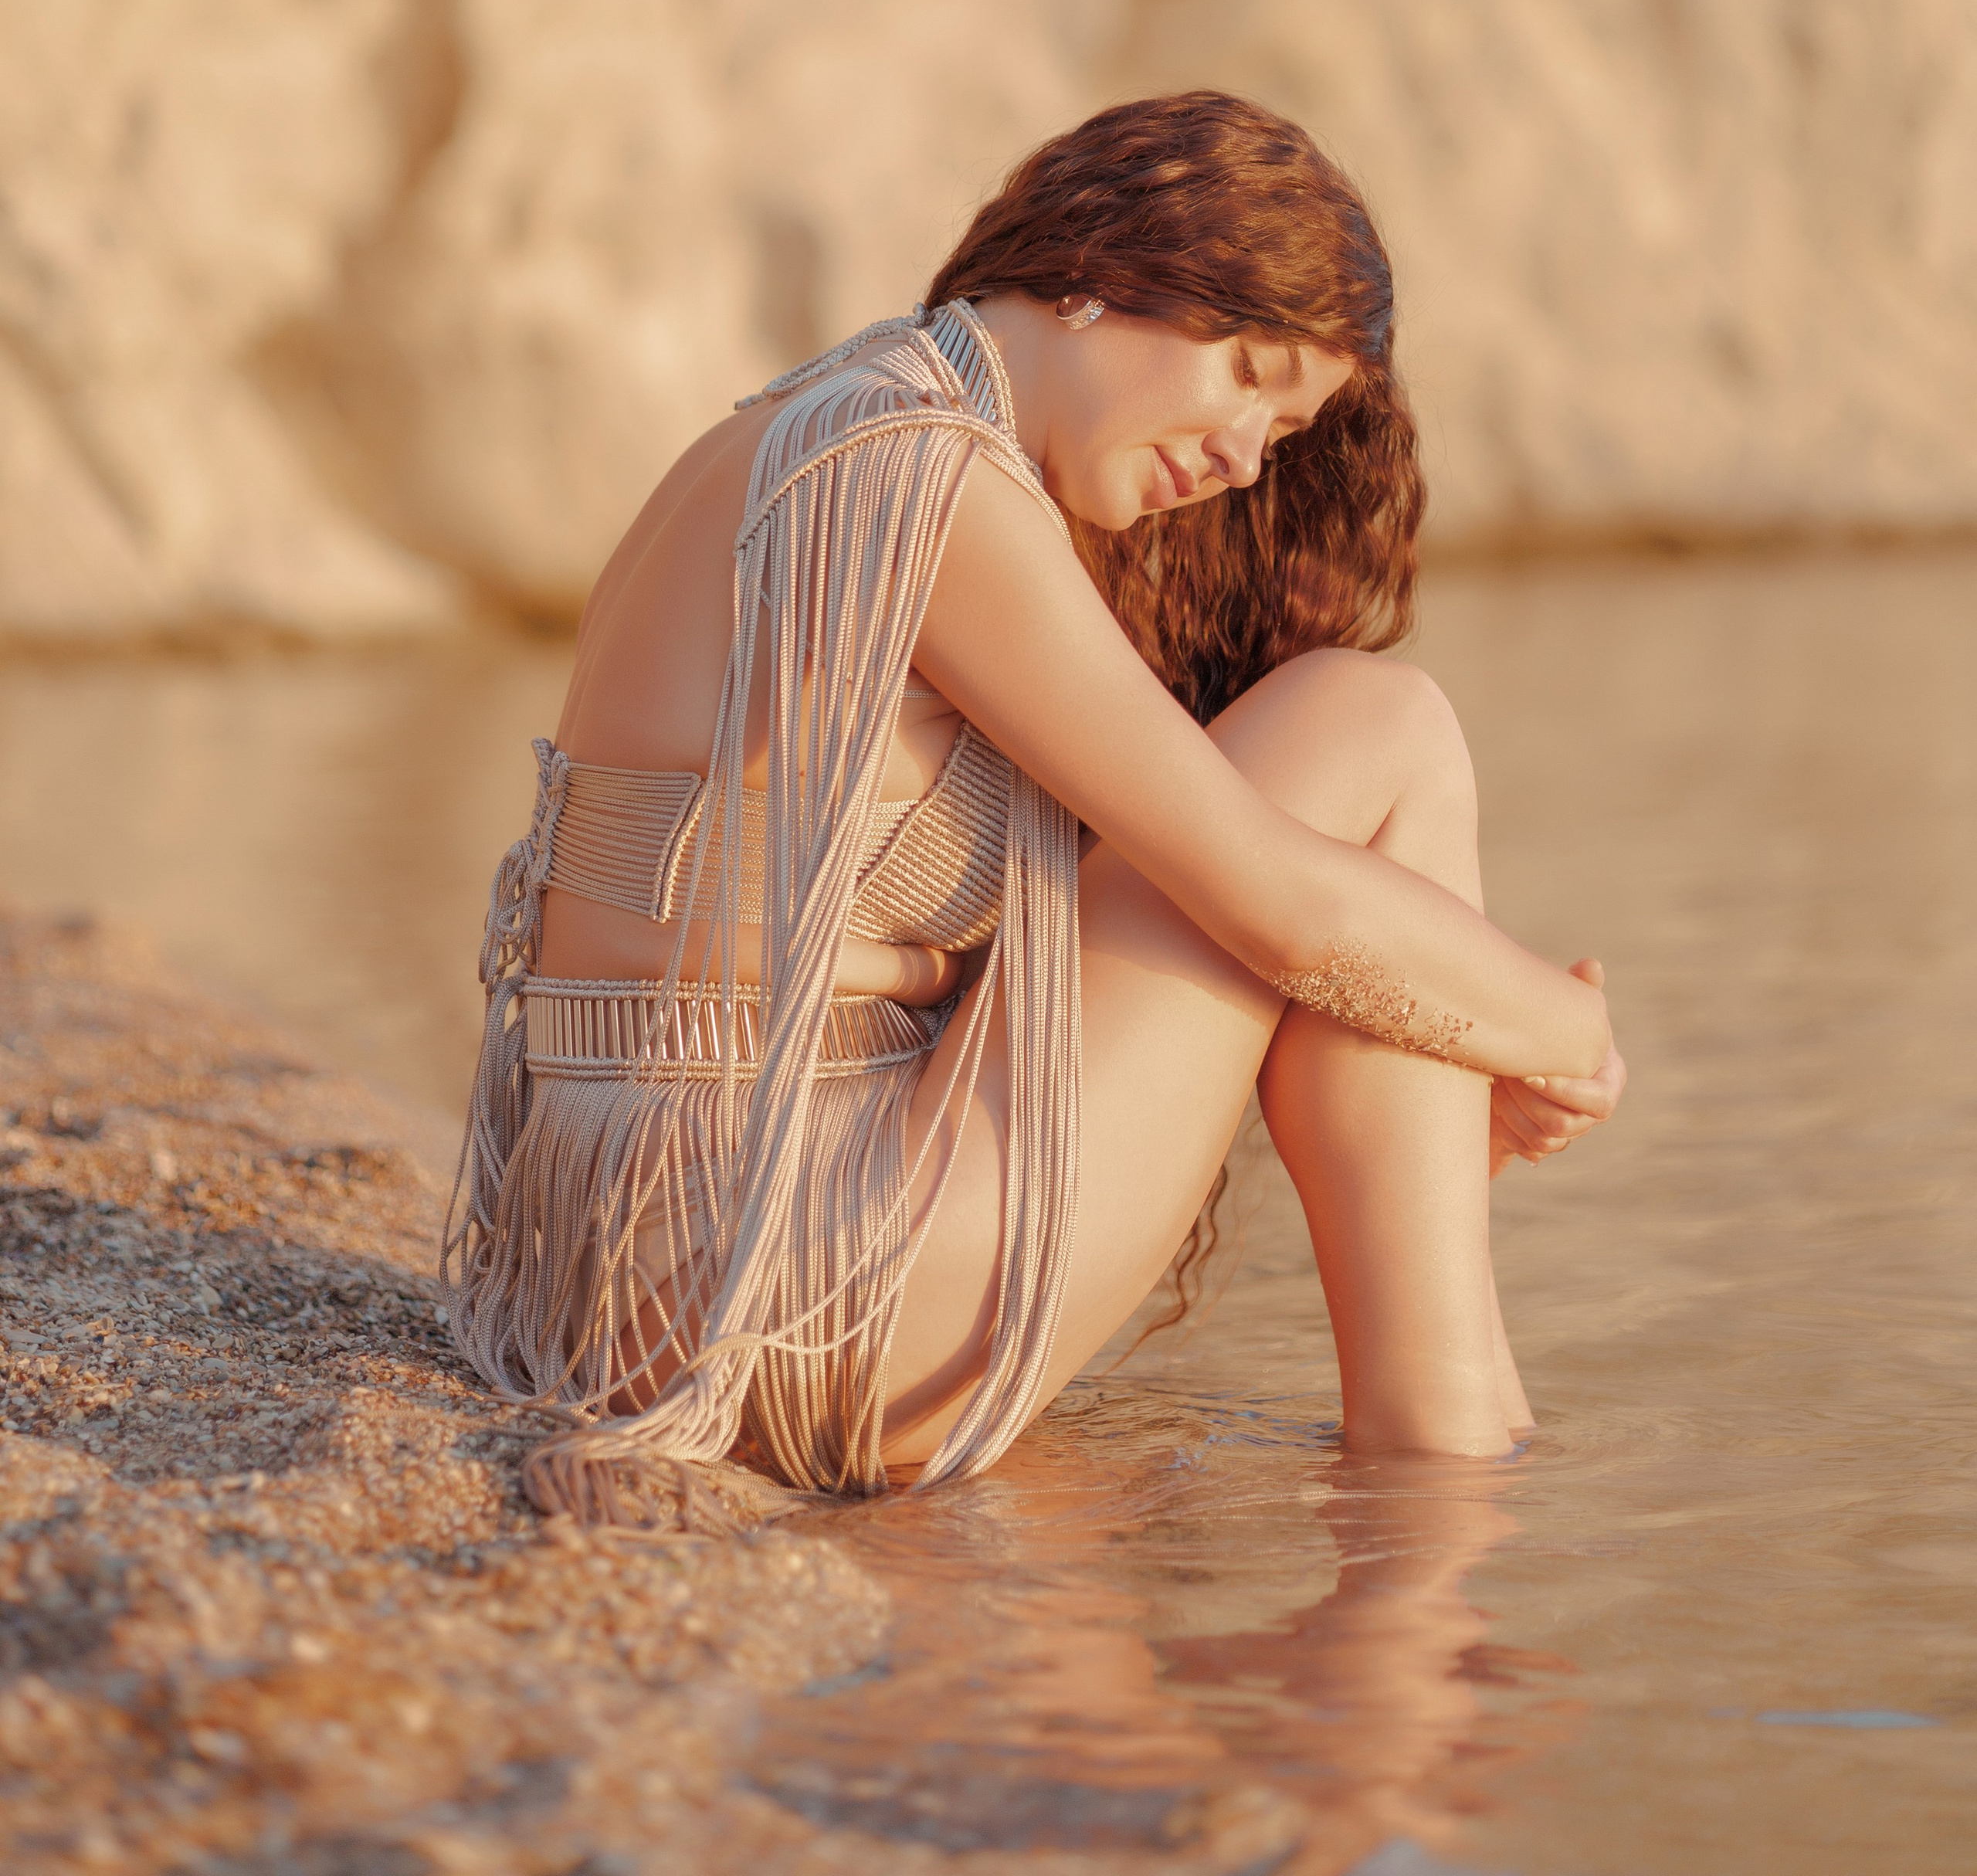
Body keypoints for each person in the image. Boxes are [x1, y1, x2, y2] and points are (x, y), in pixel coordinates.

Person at [442, 92, 1623, 1521]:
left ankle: (1448, 1442)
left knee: (1378, 903)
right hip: (776, 1293)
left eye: (1287, 426)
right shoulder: (917, 476)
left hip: (624, 1282)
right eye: (1249, 373)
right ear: (1099, 270)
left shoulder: (821, 425)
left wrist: (1446, 1024)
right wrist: (1563, 1037)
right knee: (1379, 727)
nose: (1251, 453)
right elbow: (1270, 897)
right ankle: (1442, 1492)